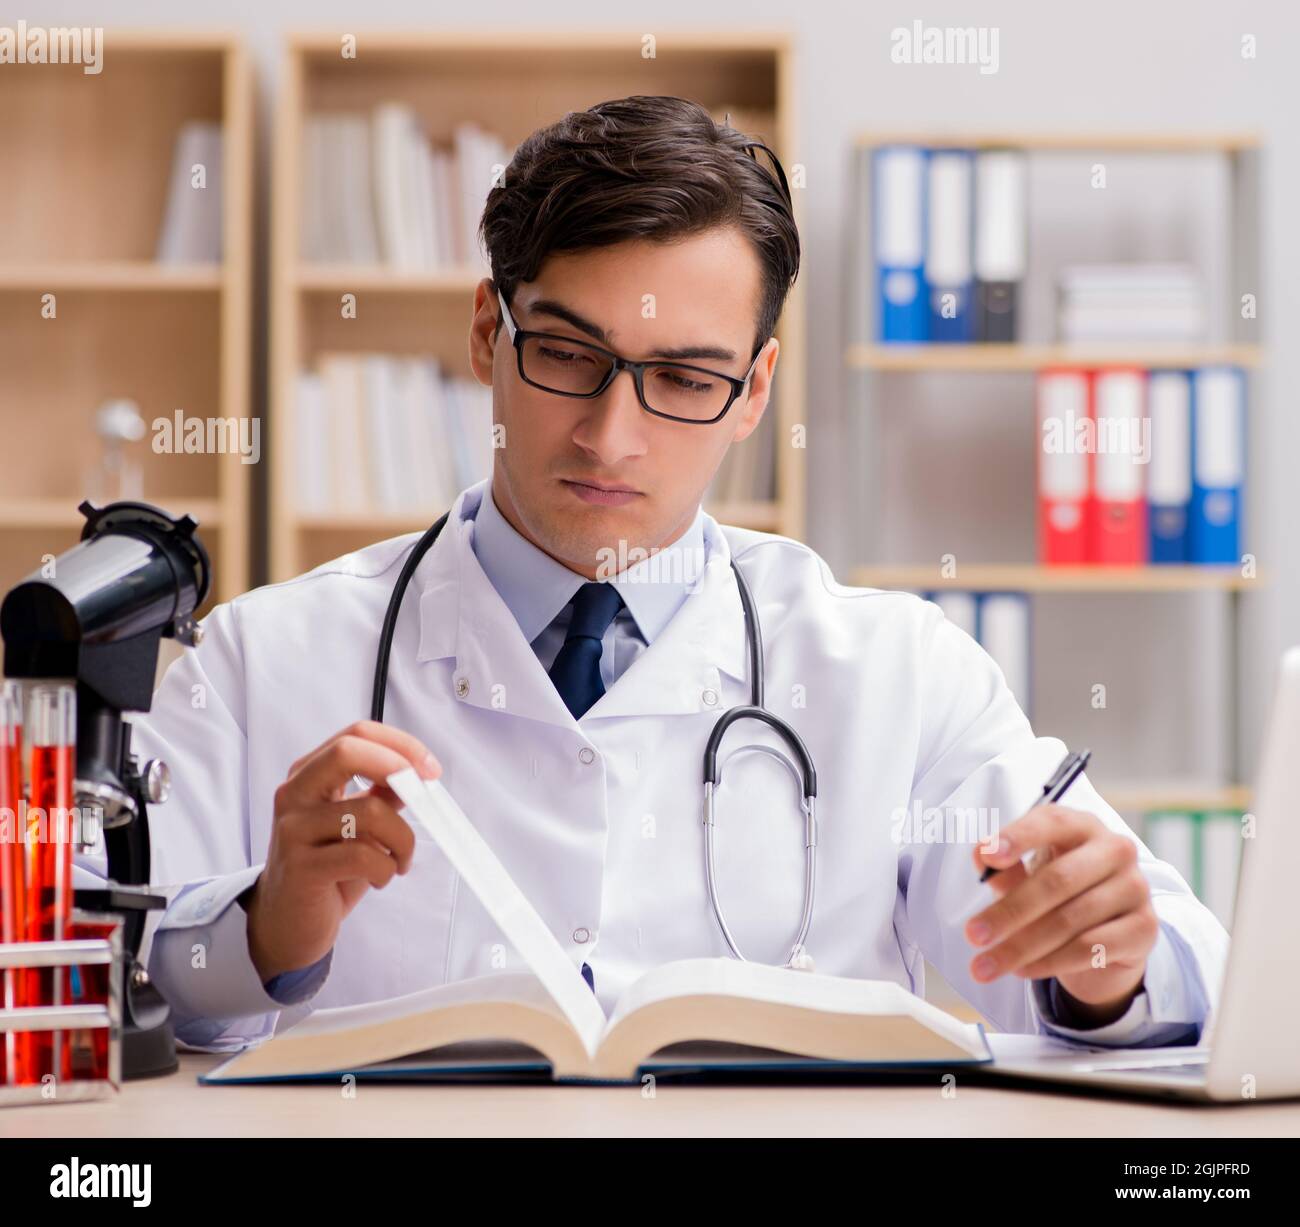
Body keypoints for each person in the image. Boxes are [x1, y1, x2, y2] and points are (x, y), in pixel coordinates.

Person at [87, 95, 1226, 1052]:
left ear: (758, 391)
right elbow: (101, 988)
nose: (611, 437)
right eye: (570, 356)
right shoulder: (260, 660)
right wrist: (262, 933)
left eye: (684, 378)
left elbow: (1153, 981)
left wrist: (1099, 964)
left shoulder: (898, 675)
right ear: (488, 332)